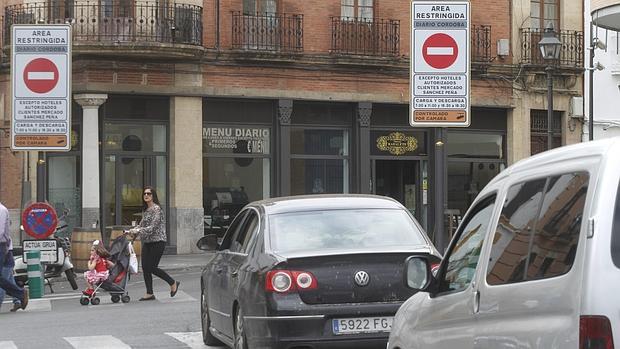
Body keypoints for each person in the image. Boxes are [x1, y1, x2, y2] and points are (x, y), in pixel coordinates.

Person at [127, 186, 179, 301]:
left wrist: (138, 231)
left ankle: (173, 282)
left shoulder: (157, 209)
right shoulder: (146, 210)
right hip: (148, 242)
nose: (146, 195)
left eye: (149, 194)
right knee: (145, 267)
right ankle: (149, 292)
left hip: (158, 241)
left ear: (153, 196)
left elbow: (152, 228)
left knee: (152, 267)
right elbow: (141, 225)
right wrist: (133, 231)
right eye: (145, 194)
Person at [0, 201, 28, 311]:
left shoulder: (1, 210)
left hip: (2, 246)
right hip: (4, 247)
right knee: (6, 275)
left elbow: (1, 232)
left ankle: (20, 294)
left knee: (4, 275)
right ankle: (18, 297)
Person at [0, 248, 22, 312]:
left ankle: (21, 295)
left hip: (4, 263)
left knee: (3, 285)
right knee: (10, 283)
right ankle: (18, 301)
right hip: (7, 262)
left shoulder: (3, 239)